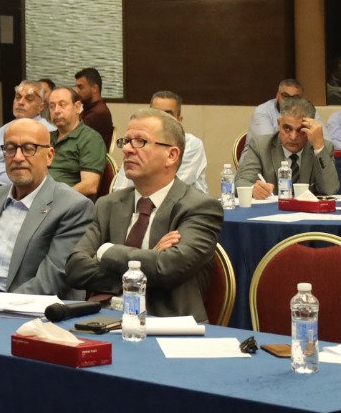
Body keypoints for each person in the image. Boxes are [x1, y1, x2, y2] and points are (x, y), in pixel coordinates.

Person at [63, 107, 223, 310]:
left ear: (171, 155)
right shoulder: (108, 204)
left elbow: (166, 269)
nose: (128, 149)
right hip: (101, 317)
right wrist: (149, 258)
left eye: (140, 141)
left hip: (164, 322)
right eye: (126, 141)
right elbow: (75, 268)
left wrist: (105, 252)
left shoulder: (199, 207)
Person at [0, 118, 92, 297]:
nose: (18, 157)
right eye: (10, 148)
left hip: (21, 304)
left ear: (49, 156)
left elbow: (51, 281)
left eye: (29, 149)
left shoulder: (72, 207)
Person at [236, 96, 337, 197]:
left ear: (311, 128)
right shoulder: (261, 146)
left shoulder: (322, 149)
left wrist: (319, 147)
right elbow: (241, 181)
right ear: (279, 124)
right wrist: (252, 189)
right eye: (287, 128)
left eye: (301, 130)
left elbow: (331, 190)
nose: (293, 137)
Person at [110, 91, 208, 193]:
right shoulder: (135, 144)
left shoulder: (191, 145)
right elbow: (120, 190)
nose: (160, 119)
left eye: (168, 115)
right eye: (155, 113)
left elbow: (169, 189)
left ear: (179, 119)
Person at [0, 80, 56, 187]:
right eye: (18, 97)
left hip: (19, 189)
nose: (21, 102)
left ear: (41, 107)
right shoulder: (3, 130)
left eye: (29, 99)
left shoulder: (48, 132)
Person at [47, 86, 109, 196]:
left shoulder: (90, 139)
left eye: (62, 105)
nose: (56, 111)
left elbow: (89, 186)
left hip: (67, 201)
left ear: (77, 107)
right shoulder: (47, 137)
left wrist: (56, 199)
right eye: (52, 107)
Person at [73, 67, 114, 145]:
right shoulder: (91, 108)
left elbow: (73, 135)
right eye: (76, 87)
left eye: (80, 87)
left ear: (94, 88)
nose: (76, 91)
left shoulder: (98, 113)